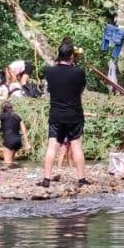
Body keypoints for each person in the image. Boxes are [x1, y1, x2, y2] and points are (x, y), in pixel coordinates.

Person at [41, 40, 88, 185]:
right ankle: (81, 179)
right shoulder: (79, 72)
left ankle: (46, 179)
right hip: (74, 114)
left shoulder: (50, 71)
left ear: (59, 54)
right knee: (76, 146)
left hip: (56, 114)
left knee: (52, 146)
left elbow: (50, 89)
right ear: (72, 56)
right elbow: (80, 91)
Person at [0, 102, 26, 168]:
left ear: (2, 109)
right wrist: (27, 142)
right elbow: (24, 130)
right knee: (11, 161)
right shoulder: (17, 117)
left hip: (9, 140)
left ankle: (9, 171)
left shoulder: (3, 116)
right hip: (18, 141)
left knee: (7, 162)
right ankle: (15, 169)